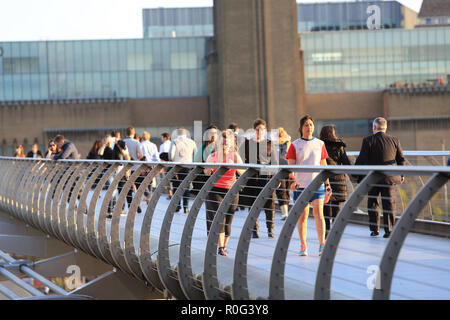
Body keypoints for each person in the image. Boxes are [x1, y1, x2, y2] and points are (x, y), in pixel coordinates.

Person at [286, 115, 331, 256]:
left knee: (319, 215)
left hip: (318, 185)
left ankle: (322, 244)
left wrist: (328, 185)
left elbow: (324, 166)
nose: (309, 127)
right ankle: (303, 245)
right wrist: (292, 181)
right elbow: (290, 167)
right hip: (301, 186)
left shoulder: (320, 144)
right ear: (301, 128)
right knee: (303, 217)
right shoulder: (294, 145)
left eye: (311, 124)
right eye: (306, 125)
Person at [354, 117, 406, 238]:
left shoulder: (368, 140)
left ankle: (374, 229)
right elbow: (401, 159)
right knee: (389, 203)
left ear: (374, 128)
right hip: (389, 178)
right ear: (385, 128)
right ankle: (389, 230)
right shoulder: (394, 140)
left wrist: (355, 174)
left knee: (372, 202)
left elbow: (362, 159)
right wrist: (402, 174)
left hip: (372, 177)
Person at [204, 129, 245, 256]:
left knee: (228, 221)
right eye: (222, 143)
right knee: (219, 217)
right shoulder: (213, 156)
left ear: (231, 144)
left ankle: (223, 246)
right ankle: (221, 248)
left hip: (231, 191)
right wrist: (209, 169)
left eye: (227, 143)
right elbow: (206, 171)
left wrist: (235, 166)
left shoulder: (235, 156)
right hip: (215, 190)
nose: (224, 146)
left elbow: (243, 172)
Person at [240, 118, 277, 239]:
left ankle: (270, 229)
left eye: (262, 129)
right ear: (254, 130)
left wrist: (277, 179)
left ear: (265, 130)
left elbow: (275, 163)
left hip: (267, 179)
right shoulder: (247, 143)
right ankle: (254, 230)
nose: (260, 131)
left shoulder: (270, 144)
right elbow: (241, 161)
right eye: (257, 129)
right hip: (252, 179)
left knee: (269, 205)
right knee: (253, 205)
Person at [319, 125, 351, 238]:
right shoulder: (339, 146)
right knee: (337, 203)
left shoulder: (320, 145)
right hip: (339, 178)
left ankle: (327, 229)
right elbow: (346, 162)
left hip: (326, 177)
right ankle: (334, 228)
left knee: (326, 203)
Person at [169, 127, 198, 214]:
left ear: (177, 133)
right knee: (186, 187)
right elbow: (196, 155)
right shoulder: (192, 142)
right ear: (186, 133)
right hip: (188, 167)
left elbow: (171, 155)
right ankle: (186, 207)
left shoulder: (174, 142)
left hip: (176, 167)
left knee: (176, 187)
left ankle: (177, 206)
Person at [192, 125, 218, 195]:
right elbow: (196, 162)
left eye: (215, 133)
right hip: (207, 179)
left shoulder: (222, 146)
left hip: (220, 178)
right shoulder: (202, 147)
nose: (213, 135)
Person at [276, 127, 292, 221]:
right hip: (278, 170)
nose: (280, 136)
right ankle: (284, 213)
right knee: (281, 191)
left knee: (287, 190)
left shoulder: (289, 143)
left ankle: (286, 211)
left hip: (288, 169)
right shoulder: (273, 144)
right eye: (278, 135)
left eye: (281, 134)